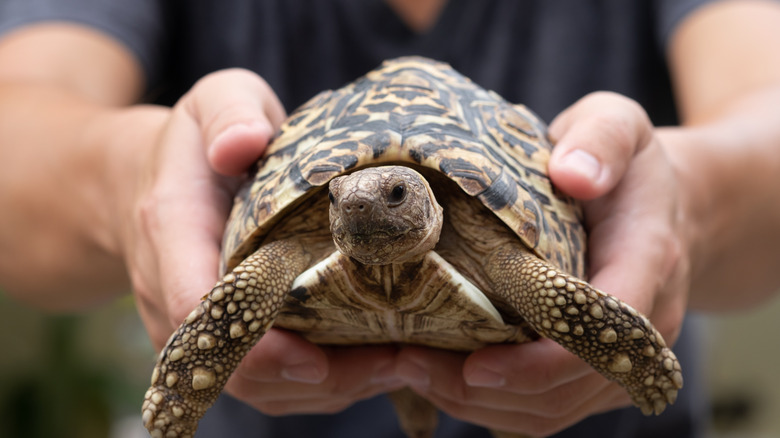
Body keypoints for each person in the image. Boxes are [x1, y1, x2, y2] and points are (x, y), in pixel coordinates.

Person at [1, 0, 779, 436]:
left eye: (394, 196)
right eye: (343, 200)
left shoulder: (506, 263)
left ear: (430, 200)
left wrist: (688, 204)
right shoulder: (287, 253)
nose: (362, 205)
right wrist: (130, 180)